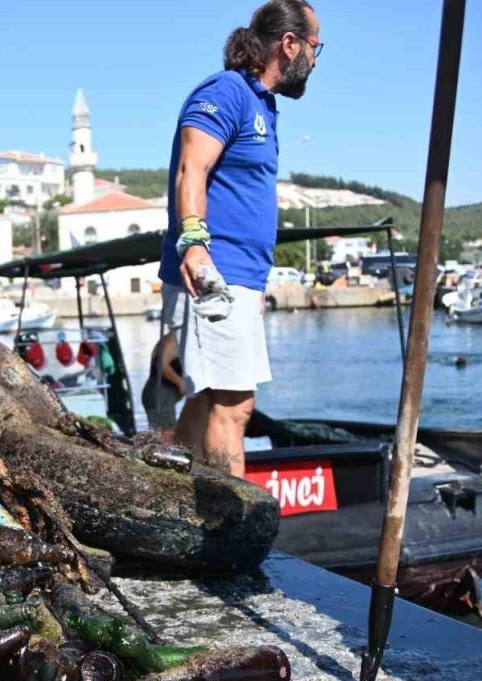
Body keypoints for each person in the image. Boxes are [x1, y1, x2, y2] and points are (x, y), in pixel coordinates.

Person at [158, 0, 322, 476]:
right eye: (315, 47)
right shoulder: (225, 92)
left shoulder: (263, 105)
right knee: (235, 406)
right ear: (289, 45)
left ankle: (171, 490)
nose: (315, 59)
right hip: (214, 272)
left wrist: (255, 285)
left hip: (240, 277)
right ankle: (238, 527)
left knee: (207, 397)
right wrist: (194, 245)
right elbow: (193, 166)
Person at [141, 332, 187, 440]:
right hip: (160, 395)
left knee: (161, 434)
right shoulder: (173, 340)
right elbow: (161, 366)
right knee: (167, 436)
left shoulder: (171, 339)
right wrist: (181, 383)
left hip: (159, 393)